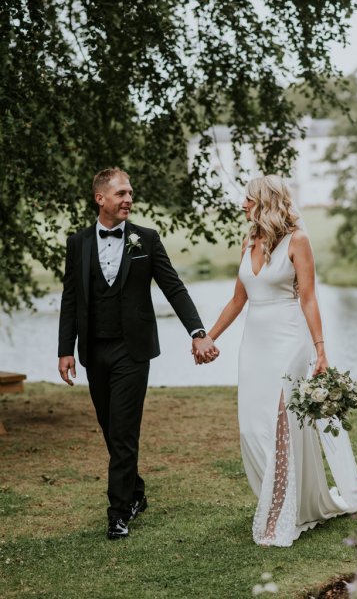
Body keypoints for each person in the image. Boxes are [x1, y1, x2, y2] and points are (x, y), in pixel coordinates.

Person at [203, 174, 357, 547]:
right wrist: (209, 337)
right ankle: (280, 497)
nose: (243, 205)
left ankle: (279, 512)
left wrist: (320, 348)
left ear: (265, 201)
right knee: (250, 428)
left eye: (248, 199)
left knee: (280, 425)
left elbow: (308, 298)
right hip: (254, 344)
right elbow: (237, 301)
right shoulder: (248, 241)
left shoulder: (298, 240)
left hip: (289, 341)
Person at [58, 167, 219, 540]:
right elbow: (70, 298)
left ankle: (118, 512)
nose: (128, 199)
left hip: (133, 351)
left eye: (130, 193)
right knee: (110, 428)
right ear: (101, 198)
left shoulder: (146, 239)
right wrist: (65, 349)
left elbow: (174, 288)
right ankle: (136, 491)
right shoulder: (77, 243)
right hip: (94, 350)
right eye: (121, 194)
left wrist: (198, 332)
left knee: (125, 430)